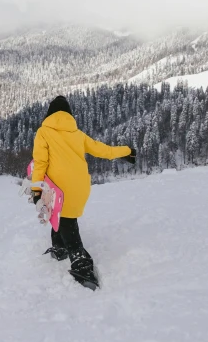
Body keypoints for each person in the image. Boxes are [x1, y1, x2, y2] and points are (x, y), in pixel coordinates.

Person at [31, 95, 135, 288]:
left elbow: (40, 164)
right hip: (81, 185)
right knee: (59, 216)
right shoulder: (77, 134)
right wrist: (127, 151)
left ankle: (82, 264)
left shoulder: (43, 132)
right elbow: (103, 150)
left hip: (57, 188)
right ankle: (59, 247)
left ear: (49, 114)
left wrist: (36, 190)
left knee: (67, 222)